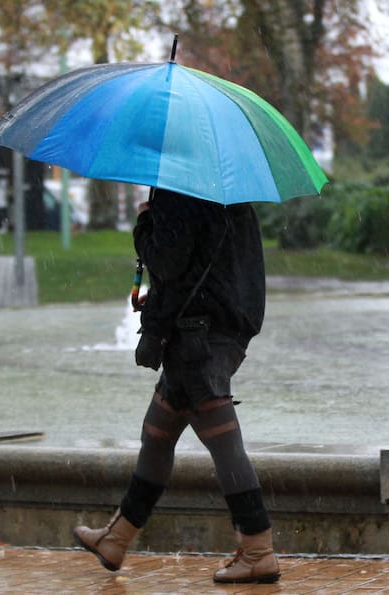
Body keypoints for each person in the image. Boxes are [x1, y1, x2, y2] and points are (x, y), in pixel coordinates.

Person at [73, 187, 279, 585]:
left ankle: (258, 550)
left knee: (224, 444)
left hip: (197, 338)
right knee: (157, 434)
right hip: (215, 328)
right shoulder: (227, 188)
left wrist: (146, 221)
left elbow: (167, 260)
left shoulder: (179, 188)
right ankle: (116, 538)